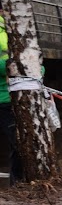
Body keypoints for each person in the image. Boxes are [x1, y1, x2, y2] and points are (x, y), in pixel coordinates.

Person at [0, 10, 22, 186]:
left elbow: (35, 61)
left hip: (20, 97)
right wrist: (11, 67)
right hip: (3, 99)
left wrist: (36, 71)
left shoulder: (18, 27)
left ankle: (19, 183)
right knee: (18, 142)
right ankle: (17, 184)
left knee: (23, 142)